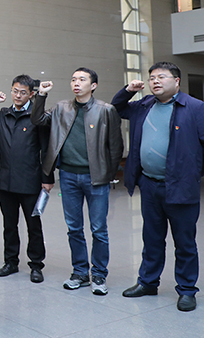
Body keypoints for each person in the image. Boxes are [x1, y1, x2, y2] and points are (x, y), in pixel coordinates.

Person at [112, 62, 204, 312]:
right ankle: (148, 282)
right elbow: (117, 108)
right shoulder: (145, 105)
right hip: (149, 184)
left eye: (161, 77)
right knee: (151, 238)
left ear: (177, 81)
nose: (155, 81)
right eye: (152, 78)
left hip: (180, 187)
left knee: (184, 242)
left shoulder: (195, 107)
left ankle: (187, 290)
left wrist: (192, 170)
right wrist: (128, 90)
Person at [31, 67, 122, 296]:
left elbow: (115, 146)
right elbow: (37, 119)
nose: (76, 83)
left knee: (98, 229)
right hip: (68, 176)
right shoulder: (61, 108)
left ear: (93, 85)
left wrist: (108, 174)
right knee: (74, 228)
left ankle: (99, 274)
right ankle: (80, 272)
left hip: (96, 178)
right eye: (73, 79)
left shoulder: (106, 110)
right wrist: (41, 95)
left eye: (82, 79)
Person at [0, 75, 51, 283]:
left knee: (33, 226)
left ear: (31, 94)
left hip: (30, 180)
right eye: (15, 91)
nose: (18, 95)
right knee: (9, 225)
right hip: (5, 181)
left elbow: (46, 149)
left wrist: (47, 178)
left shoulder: (37, 117)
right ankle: (10, 262)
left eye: (23, 92)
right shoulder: (3, 115)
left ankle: (36, 265)